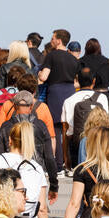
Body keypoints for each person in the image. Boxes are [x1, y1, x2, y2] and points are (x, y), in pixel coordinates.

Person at [0, 91, 59, 205]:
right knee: (36, 208)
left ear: (14, 106)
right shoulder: (40, 126)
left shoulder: (6, 126)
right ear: (31, 107)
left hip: (11, 178)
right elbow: (49, 157)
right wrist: (54, 185)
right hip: (35, 174)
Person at [35, 29, 79, 164]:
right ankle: (70, 162)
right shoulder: (73, 58)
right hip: (71, 91)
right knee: (69, 128)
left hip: (55, 92)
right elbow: (77, 80)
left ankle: (59, 163)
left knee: (56, 129)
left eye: (53, 38)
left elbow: (43, 77)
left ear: (59, 40)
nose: (51, 40)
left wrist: (38, 73)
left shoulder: (52, 56)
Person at [61, 67, 109, 169]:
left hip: (77, 147)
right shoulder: (102, 98)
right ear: (94, 81)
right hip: (99, 144)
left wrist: (66, 156)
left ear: (78, 81)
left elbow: (65, 131)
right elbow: (107, 124)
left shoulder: (68, 100)